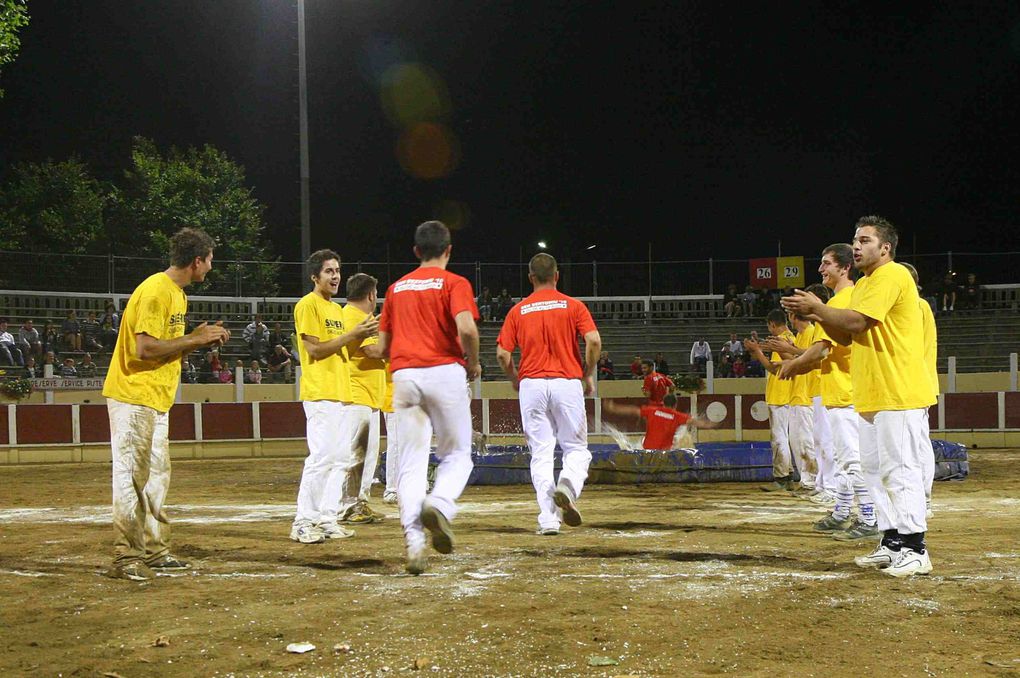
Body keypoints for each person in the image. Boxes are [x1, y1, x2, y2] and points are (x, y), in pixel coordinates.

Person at [783, 216, 937, 577]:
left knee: (900, 470)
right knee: (874, 471)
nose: (857, 245)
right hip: (872, 393)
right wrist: (817, 314)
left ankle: (916, 548)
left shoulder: (893, 275)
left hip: (897, 390)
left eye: (865, 240)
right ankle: (891, 542)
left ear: (885, 248)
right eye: (855, 239)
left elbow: (858, 323)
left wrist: (817, 309)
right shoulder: (868, 283)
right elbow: (847, 336)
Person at [101, 227, 230, 581]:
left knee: (156, 477)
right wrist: (194, 338)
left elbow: (167, 345)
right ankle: (126, 558)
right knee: (131, 478)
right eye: (209, 261)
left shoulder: (177, 294)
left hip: (154, 398)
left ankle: (155, 551)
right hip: (134, 395)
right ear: (196, 261)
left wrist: (198, 341)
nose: (210, 268)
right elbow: (144, 348)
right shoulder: (156, 291)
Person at [374, 220, 481, 575]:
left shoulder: (396, 288)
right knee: (458, 454)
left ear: (416, 251)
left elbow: (383, 347)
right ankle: (439, 503)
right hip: (445, 371)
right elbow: (466, 327)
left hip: (404, 375)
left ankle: (415, 542)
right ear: (448, 250)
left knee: (411, 462)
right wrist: (474, 363)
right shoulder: (455, 283)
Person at [496, 253, 601, 536]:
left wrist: (514, 378)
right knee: (576, 449)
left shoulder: (518, 311)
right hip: (566, 382)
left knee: (541, 454)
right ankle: (567, 484)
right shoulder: (574, 306)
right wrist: (588, 373)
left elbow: (503, 354)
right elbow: (593, 340)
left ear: (530, 278)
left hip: (531, 384)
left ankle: (548, 519)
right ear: (557, 275)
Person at [779, 244, 877, 540]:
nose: (821, 269)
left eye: (826, 264)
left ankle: (870, 518)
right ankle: (844, 510)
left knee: (851, 460)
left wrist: (793, 363)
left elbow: (822, 350)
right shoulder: (846, 299)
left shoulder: (841, 301)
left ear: (844, 267)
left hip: (845, 394)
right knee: (843, 459)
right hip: (843, 392)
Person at [289, 249, 379, 545]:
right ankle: (303, 521)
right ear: (315, 277)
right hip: (321, 392)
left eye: (337, 270)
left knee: (340, 459)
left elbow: (343, 351)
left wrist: (356, 335)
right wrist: (351, 334)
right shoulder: (308, 305)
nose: (335, 276)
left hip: (341, 393)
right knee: (321, 458)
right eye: (329, 271)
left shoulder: (336, 310)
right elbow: (314, 350)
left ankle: (327, 518)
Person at [337, 273, 388, 525]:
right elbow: (374, 351)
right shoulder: (357, 318)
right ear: (370, 295)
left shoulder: (348, 315)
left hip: (366, 395)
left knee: (366, 454)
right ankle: (349, 504)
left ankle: (358, 502)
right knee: (357, 454)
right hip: (358, 394)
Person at [902, 262, 939, 519]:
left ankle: (923, 498)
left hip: (915, 383)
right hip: (913, 383)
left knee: (918, 445)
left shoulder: (918, 305)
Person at [745, 309, 795, 491]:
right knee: (784, 438)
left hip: (780, 395)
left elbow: (773, 368)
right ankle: (787, 476)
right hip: (786, 395)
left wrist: (757, 351)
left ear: (772, 324)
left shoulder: (781, 341)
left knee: (779, 438)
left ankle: (781, 477)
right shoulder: (789, 338)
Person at [603, 393, 715, 450]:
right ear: (675, 405)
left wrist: (614, 408)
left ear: (663, 403)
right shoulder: (677, 416)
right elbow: (696, 422)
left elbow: (632, 411)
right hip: (664, 453)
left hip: (646, 450)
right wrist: (711, 424)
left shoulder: (652, 411)